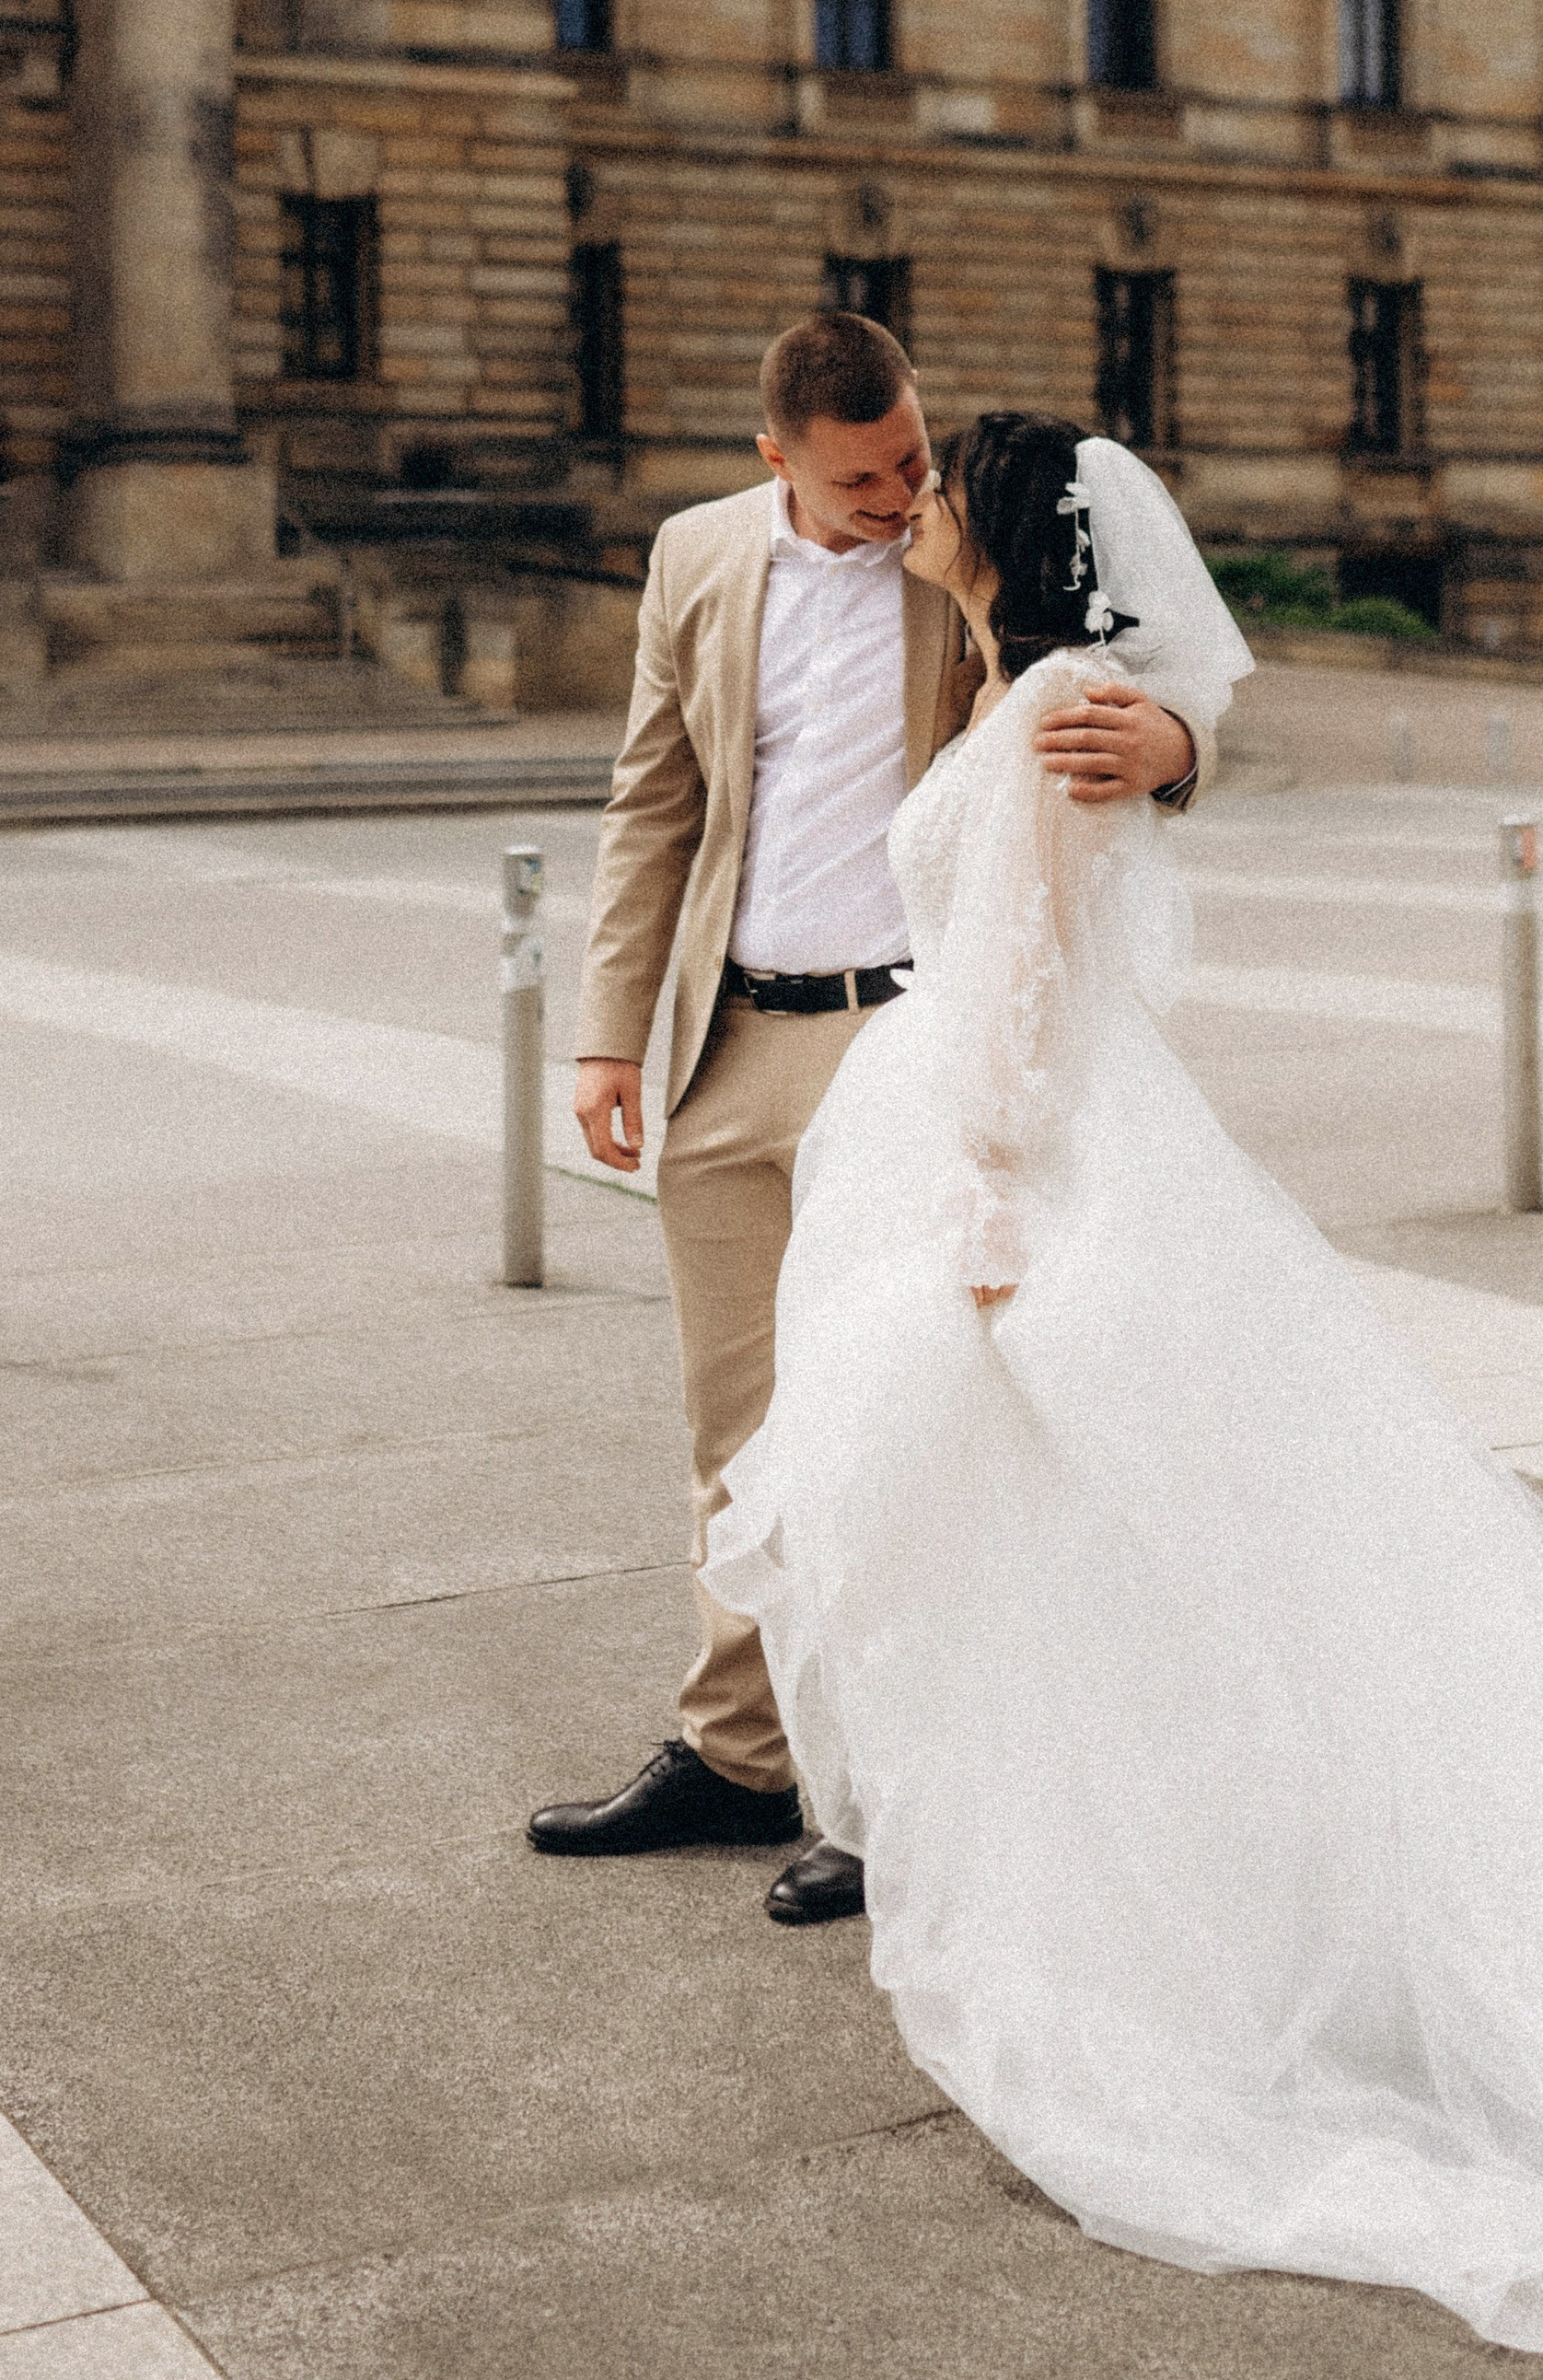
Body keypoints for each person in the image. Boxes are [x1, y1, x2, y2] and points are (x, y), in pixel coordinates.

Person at [703, 411, 1543, 2371]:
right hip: (987, 1143)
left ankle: (1189, 1953)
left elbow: (1032, 967)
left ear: (1000, 527)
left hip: (1024, 1169)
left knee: (1093, 1551)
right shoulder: (997, 668)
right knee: (1075, 1570)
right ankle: (1154, 1901)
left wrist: (982, 1208)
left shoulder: (1067, 701)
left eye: (941, 483)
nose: (910, 506)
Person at [529, 314, 1228, 1923]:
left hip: (905, 1046)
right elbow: (657, 799)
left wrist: (1175, 748)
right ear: (775, 458)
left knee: (907, 1439)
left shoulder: (955, 560)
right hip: (727, 1042)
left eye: (913, 460)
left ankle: (888, 1773)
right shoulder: (699, 558)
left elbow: (1133, 657)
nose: (897, 494)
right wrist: (608, 1035)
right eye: (859, 476)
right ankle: (738, 1748)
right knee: (738, 1433)